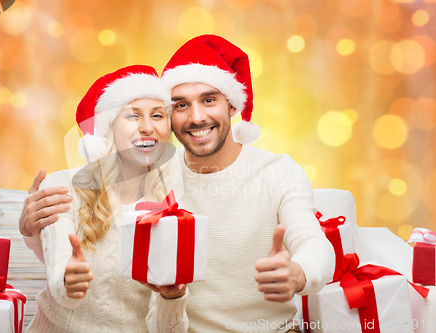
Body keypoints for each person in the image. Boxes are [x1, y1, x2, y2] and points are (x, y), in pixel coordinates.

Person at [21, 35, 335, 333]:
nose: (196, 118)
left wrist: (299, 273)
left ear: (232, 106)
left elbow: (312, 242)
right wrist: (32, 229)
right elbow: (94, 236)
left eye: (209, 100)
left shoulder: (277, 172)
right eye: (181, 105)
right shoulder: (152, 174)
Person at [23, 65, 189, 333]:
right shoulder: (65, 186)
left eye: (157, 115)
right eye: (133, 116)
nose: (147, 127)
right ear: (109, 127)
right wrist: (69, 282)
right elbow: (59, 279)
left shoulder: (174, 203)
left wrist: (172, 297)